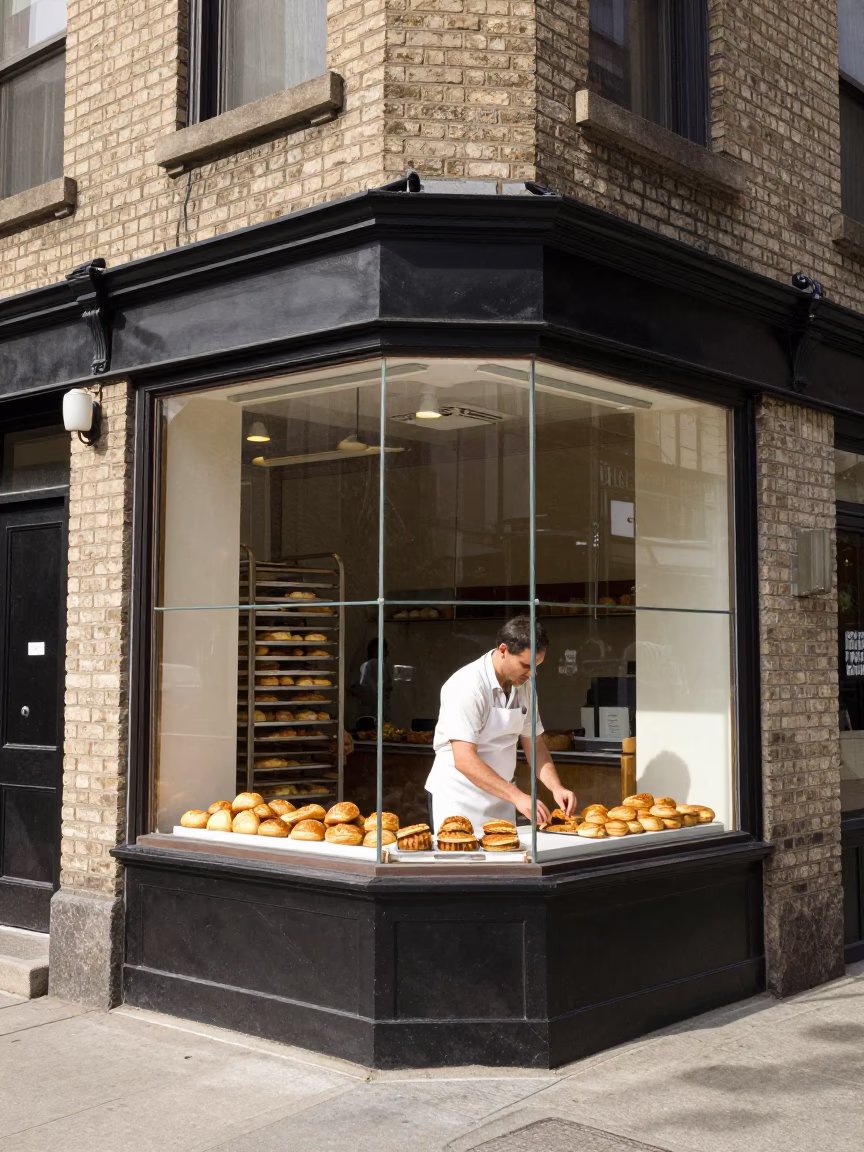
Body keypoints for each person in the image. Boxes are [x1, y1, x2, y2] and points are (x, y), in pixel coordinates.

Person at [425, 616, 576, 833]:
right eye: (525, 665)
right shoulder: (466, 685)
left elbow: (534, 742)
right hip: (458, 800)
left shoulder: (525, 684)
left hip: (502, 799)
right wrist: (517, 796)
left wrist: (556, 787)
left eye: (537, 666)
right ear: (503, 650)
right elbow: (464, 759)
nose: (532, 673)